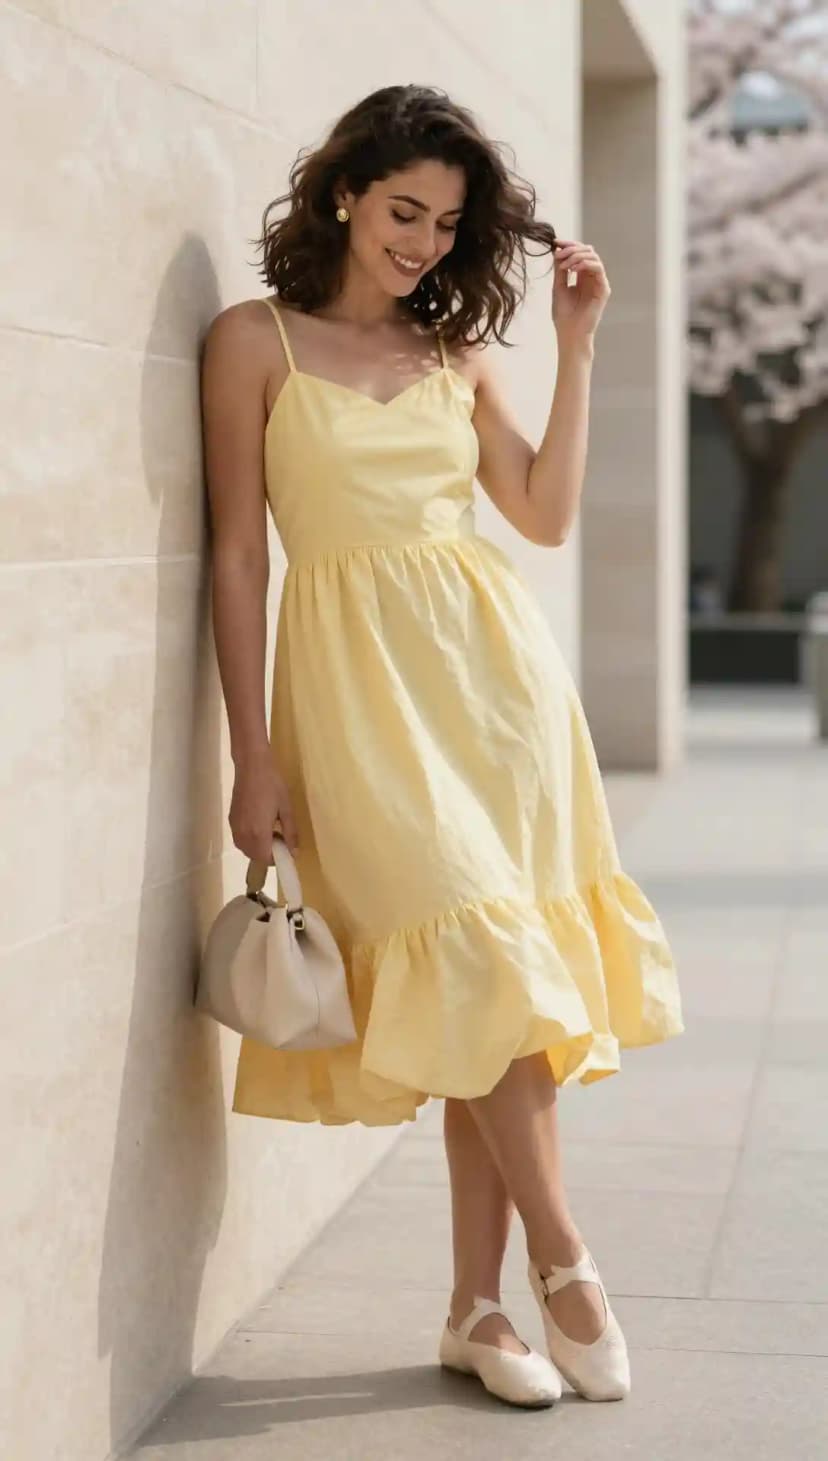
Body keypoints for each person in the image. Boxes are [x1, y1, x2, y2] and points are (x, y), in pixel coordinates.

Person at [200, 84, 684, 1410]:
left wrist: (580, 347)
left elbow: (539, 512)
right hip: (352, 694)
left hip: (495, 688)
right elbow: (239, 556)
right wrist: (253, 753)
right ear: (345, 191)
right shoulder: (256, 343)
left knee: (491, 983)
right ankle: (567, 1259)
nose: (420, 242)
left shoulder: (454, 353)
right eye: (402, 210)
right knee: (475, 951)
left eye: (445, 224)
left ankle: (479, 1305)